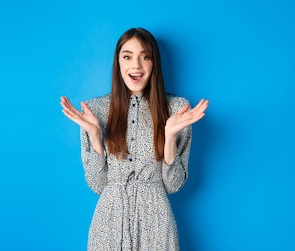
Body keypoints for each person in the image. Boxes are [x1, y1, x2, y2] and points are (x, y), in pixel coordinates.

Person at [60, 27, 208, 251]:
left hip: (157, 224)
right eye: (127, 56)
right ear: (118, 62)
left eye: (144, 57)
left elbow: (173, 185)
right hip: (108, 224)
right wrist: (95, 136)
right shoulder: (95, 110)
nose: (136, 65)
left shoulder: (177, 110)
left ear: (153, 63)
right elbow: (98, 185)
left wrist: (169, 136)